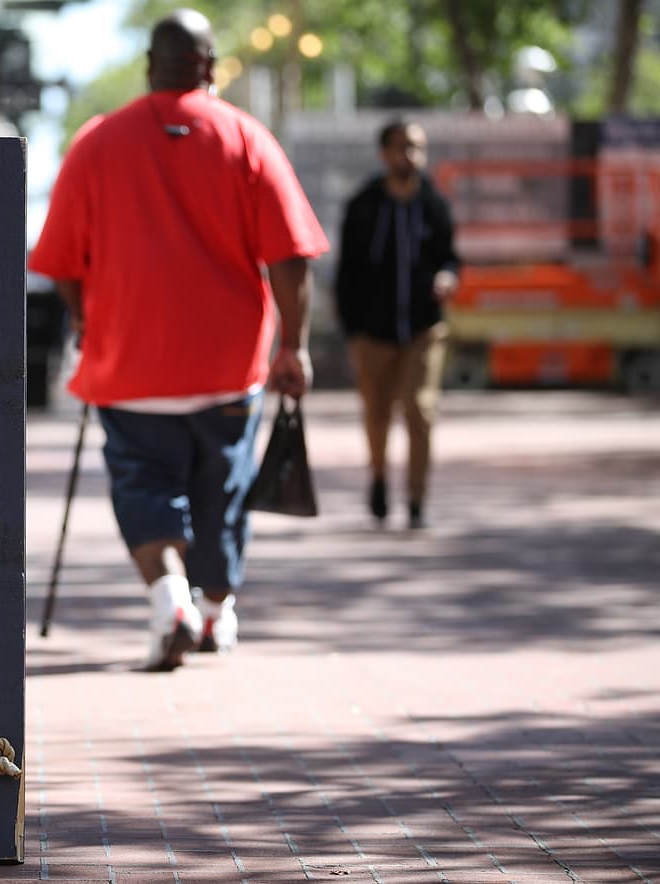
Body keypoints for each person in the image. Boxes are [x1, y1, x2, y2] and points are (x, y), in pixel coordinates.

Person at [27, 9, 329, 672]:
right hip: (228, 369)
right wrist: (294, 346)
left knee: (144, 488)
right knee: (223, 492)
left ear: (148, 68)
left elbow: (59, 263)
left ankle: (172, 603)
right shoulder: (247, 138)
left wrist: (85, 321)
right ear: (211, 68)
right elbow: (292, 254)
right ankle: (216, 613)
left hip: (129, 366)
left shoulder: (98, 142)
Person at [334, 119, 460, 530]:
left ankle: (418, 500)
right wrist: (352, 330)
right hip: (373, 332)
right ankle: (377, 478)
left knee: (420, 411)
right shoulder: (364, 205)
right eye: (403, 147)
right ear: (384, 153)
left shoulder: (434, 204)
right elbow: (347, 272)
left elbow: (450, 257)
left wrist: (447, 276)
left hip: (424, 328)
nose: (411, 155)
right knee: (377, 412)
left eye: (418, 147)